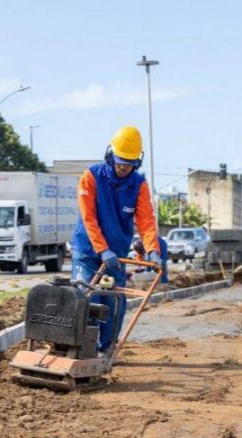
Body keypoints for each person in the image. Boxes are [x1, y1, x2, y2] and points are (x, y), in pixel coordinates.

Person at [71, 125, 162, 352]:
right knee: (86, 297)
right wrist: (102, 249)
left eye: (129, 164)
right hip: (87, 251)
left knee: (114, 302)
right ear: (110, 155)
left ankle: (107, 349)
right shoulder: (91, 177)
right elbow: (88, 218)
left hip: (117, 256)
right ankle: (82, 348)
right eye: (120, 161)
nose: (123, 168)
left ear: (137, 162)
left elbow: (146, 220)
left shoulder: (139, 185)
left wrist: (153, 249)